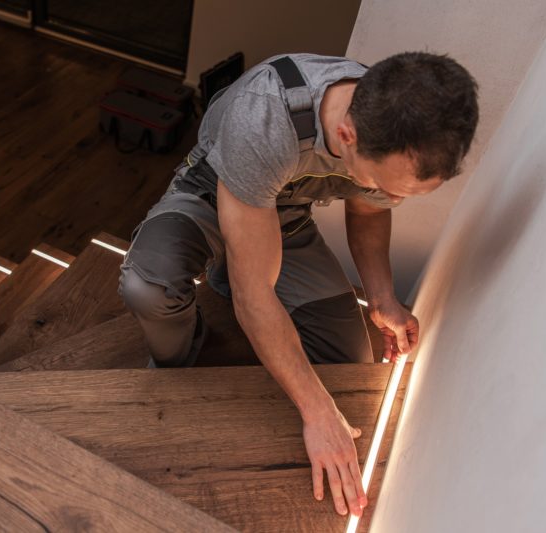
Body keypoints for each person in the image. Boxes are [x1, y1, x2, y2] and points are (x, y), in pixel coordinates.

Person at [118, 52, 479, 517]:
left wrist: (384, 298)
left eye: (404, 194)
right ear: (347, 135)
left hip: (284, 219)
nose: (391, 199)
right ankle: (179, 360)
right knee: (150, 287)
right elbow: (255, 298)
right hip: (211, 194)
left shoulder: (392, 116)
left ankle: (228, 273)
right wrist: (318, 414)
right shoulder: (264, 118)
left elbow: (368, 211)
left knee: (349, 360)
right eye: (387, 186)